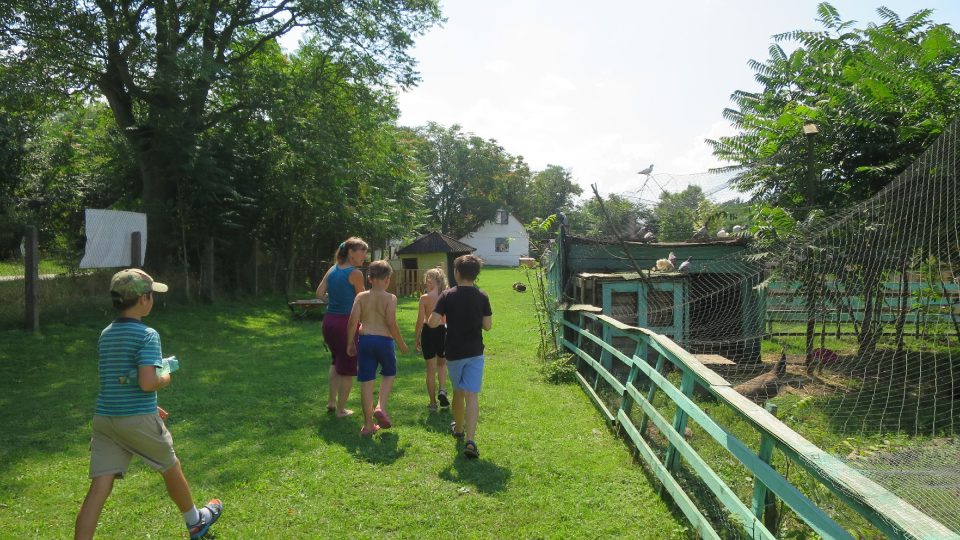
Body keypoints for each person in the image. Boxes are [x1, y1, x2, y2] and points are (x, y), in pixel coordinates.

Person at [75, 269, 222, 540]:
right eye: (152, 294)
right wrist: (164, 377)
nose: (153, 299)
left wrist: (150, 406)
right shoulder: (147, 335)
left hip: (106, 419)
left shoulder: (106, 334)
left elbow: (116, 379)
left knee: (99, 488)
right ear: (144, 299)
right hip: (136, 420)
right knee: (170, 465)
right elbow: (146, 382)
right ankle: (196, 521)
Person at [427, 255, 492, 459]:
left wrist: (441, 320)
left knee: (458, 391)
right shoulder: (482, 296)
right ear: (476, 275)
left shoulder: (447, 295)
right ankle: (471, 440)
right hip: (475, 352)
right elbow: (488, 326)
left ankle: (458, 430)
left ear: (456, 273)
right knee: (472, 394)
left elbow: (432, 321)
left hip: (454, 353)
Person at [345, 260, 409, 436]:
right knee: (389, 373)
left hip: (365, 340)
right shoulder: (390, 298)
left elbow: (352, 322)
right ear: (388, 279)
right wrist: (402, 344)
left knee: (366, 382)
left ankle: (368, 426)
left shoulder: (361, 297)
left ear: (369, 278)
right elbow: (390, 322)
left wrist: (350, 343)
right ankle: (380, 406)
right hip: (384, 342)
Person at [316, 237, 368, 417]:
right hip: (346, 324)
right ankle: (341, 410)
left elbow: (319, 293)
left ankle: (331, 402)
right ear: (351, 252)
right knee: (347, 367)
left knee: (335, 361)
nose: (364, 255)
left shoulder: (332, 269)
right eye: (362, 251)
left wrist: (334, 302)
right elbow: (362, 300)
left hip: (329, 321)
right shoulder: (355, 273)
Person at [415, 267, 449, 411]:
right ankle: (442, 389)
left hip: (428, 332)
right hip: (443, 331)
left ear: (431, 281)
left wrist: (417, 338)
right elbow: (448, 318)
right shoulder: (446, 295)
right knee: (442, 365)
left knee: (430, 370)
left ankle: (433, 403)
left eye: (427, 279)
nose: (426, 282)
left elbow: (419, 321)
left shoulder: (425, 298)